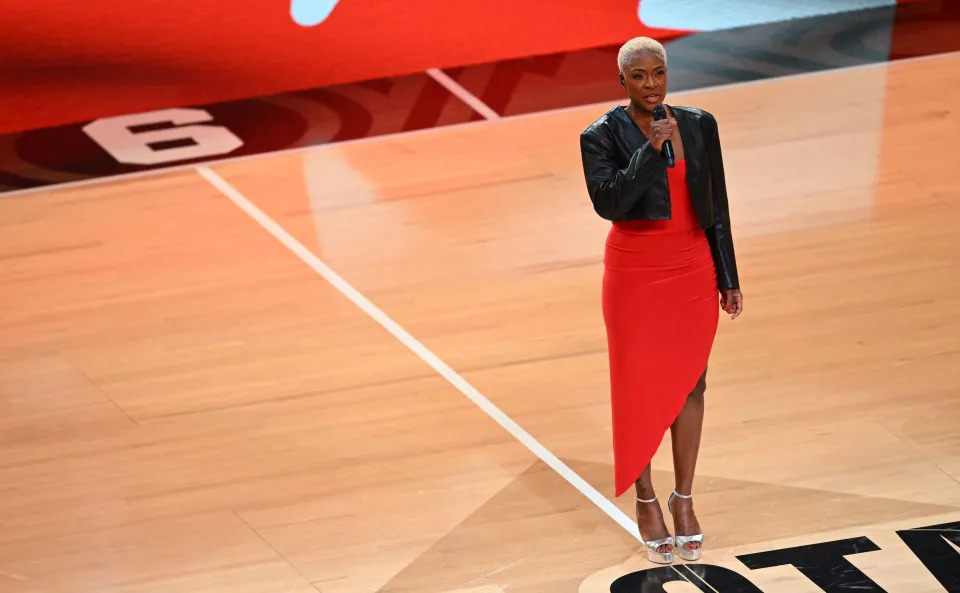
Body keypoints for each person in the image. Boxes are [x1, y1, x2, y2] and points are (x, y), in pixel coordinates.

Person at [578, 36, 743, 565]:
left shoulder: (698, 124)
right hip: (635, 272)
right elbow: (611, 203)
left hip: (692, 266)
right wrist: (650, 150)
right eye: (640, 76)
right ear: (621, 80)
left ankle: (684, 497)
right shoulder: (599, 136)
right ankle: (646, 498)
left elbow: (715, 204)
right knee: (638, 387)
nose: (651, 84)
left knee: (692, 381)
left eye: (659, 73)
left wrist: (728, 274)